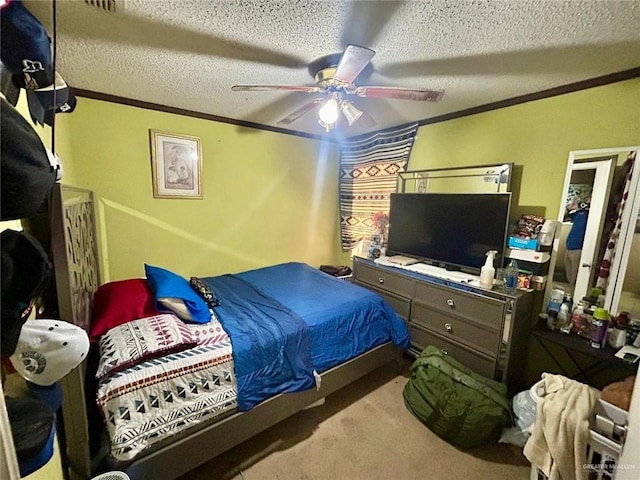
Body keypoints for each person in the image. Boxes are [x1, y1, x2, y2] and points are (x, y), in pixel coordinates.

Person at [565, 202, 589, 290]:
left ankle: (573, 297)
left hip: (578, 249)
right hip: (569, 247)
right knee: (569, 275)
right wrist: (568, 208)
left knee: (574, 277)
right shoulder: (578, 214)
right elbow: (563, 218)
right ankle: (571, 293)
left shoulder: (592, 215)